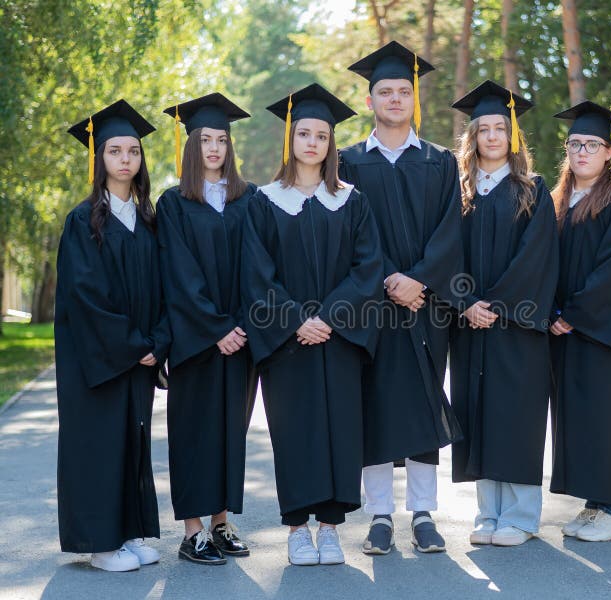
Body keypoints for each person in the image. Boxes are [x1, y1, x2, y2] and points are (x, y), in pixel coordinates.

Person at [242, 83, 383, 566]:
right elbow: (256, 272)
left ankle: (330, 529)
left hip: (339, 338)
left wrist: (328, 317)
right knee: (295, 430)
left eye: (321, 136)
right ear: (291, 139)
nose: (312, 143)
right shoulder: (265, 201)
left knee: (341, 430)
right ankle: (298, 529)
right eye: (304, 133)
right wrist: (297, 320)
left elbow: (368, 269)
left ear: (330, 145)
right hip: (288, 344)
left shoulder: (351, 200)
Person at [339, 40, 464, 555]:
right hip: (370, 307)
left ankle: (424, 513)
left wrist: (419, 280)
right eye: (384, 91)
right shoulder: (346, 162)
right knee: (372, 404)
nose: (394, 99)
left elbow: (450, 231)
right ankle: (379, 517)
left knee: (422, 404)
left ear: (414, 99)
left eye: (402, 91)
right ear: (370, 101)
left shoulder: (439, 162)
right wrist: (388, 279)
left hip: (425, 306)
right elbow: (345, 235)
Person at [57, 100, 170, 571]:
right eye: (114, 151)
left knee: (132, 441)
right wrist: (135, 345)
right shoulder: (84, 221)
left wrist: (158, 341)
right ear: (98, 158)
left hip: (138, 357)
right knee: (99, 443)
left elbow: (166, 288)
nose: (126, 159)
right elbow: (87, 297)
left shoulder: (146, 220)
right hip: (99, 360)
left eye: (133, 151)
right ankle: (100, 545)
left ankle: (128, 532)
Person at [449, 81, 558, 547]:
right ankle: (488, 513)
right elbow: (444, 255)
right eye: (484, 128)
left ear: (512, 136)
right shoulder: (458, 193)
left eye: (501, 128)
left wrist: (493, 305)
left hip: (517, 326)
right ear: (472, 137)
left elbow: (538, 257)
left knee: (515, 414)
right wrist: (464, 302)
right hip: (470, 324)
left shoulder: (533, 190)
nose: (492, 136)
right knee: (479, 412)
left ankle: (521, 517)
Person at [158, 93, 257, 565]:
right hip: (197, 340)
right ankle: (192, 530)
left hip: (240, 339)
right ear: (191, 145)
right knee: (194, 431)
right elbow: (179, 274)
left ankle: (221, 523)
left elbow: (256, 269)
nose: (214, 148)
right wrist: (216, 327)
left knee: (230, 431)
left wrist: (240, 327)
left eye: (221, 139)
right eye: (205, 139)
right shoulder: (174, 204)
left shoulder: (248, 198)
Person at [549, 101, 611, 542]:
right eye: (575, 143)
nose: (582, 151)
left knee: (606, 416)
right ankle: (594, 504)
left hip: (607, 330)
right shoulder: (558, 200)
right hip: (566, 328)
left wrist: (573, 314)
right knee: (578, 416)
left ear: (610, 152)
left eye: (592, 144)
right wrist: (550, 312)